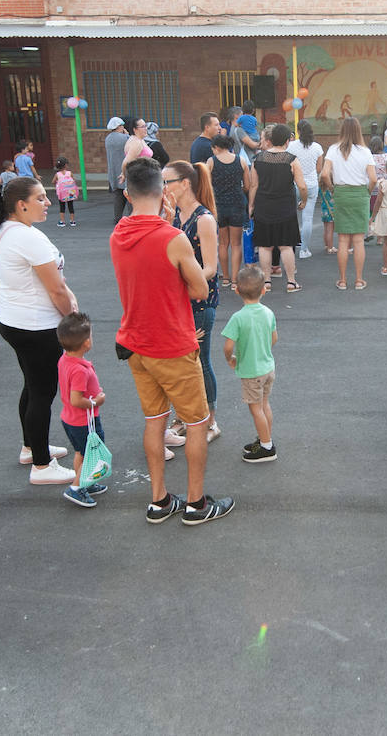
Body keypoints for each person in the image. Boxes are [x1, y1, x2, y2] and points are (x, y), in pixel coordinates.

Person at [112, 156, 234, 525]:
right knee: (197, 423)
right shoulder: (173, 237)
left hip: (135, 342)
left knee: (154, 421)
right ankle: (196, 504)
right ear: (163, 191)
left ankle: (160, 500)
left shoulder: (119, 233)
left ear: (128, 192)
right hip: (173, 344)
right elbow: (199, 288)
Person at [0, 176, 78, 484]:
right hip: (34, 327)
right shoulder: (28, 238)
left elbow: (56, 284)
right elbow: (56, 290)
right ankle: (41, 466)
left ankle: (31, 446)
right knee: (42, 392)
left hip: (16, 321)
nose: (48, 202)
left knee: (32, 386)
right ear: (21, 205)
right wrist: (72, 322)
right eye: (41, 198)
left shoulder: (14, 230)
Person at [165, 159, 222, 443]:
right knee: (180, 363)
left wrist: (188, 282)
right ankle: (184, 416)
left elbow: (211, 267)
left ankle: (210, 420)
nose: (163, 188)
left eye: (167, 182)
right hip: (177, 301)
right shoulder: (172, 214)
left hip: (200, 302)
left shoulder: (204, 219)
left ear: (184, 183)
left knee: (200, 361)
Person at [221, 264, 280, 463]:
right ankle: (266, 438)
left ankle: (266, 447)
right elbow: (274, 338)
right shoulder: (268, 312)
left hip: (251, 372)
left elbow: (228, 346)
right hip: (268, 367)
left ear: (237, 291)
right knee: (265, 405)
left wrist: (231, 359)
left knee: (256, 409)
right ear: (264, 290)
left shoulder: (238, 318)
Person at [56, 311, 109, 508]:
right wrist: (96, 401)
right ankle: (76, 488)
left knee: (81, 452)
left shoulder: (65, 360)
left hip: (69, 419)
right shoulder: (80, 370)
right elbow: (76, 400)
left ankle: (85, 482)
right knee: (91, 455)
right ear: (86, 343)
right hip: (83, 420)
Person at [248, 123, 306, 293]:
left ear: (270, 140)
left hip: (263, 206)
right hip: (285, 207)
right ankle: (291, 282)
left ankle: (266, 282)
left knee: (265, 246)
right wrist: (303, 201)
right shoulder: (291, 160)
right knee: (286, 245)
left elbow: (253, 185)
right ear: (287, 141)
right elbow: (302, 186)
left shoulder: (258, 159)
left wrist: (251, 205)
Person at [321, 117, 376, 291]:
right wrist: (367, 192)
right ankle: (359, 280)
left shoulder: (333, 149)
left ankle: (343, 280)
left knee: (343, 240)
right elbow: (373, 179)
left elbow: (324, 174)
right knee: (358, 240)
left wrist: (332, 189)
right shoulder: (365, 151)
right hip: (360, 194)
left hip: (341, 193)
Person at [208, 132, 250, 287]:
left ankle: (225, 278)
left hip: (218, 205)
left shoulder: (211, 162)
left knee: (223, 243)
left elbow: (206, 185)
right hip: (237, 204)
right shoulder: (241, 161)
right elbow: (247, 185)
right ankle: (234, 280)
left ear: (217, 147)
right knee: (236, 244)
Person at [287, 122, 323, 259]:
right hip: (312, 185)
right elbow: (319, 169)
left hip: (294, 184)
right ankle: (304, 250)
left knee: (291, 216)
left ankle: (291, 245)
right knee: (307, 219)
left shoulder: (291, 146)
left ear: (298, 131)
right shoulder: (317, 148)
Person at [105, 115, 135, 224]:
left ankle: (117, 218)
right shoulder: (125, 138)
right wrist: (127, 135)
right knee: (130, 195)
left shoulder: (108, 139)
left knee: (118, 196)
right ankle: (133, 217)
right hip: (125, 171)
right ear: (119, 126)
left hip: (113, 171)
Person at [52, 157, 79, 228]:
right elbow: (74, 181)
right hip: (70, 193)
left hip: (62, 194)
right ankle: (72, 221)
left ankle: (62, 221)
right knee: (71, 206)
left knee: (62, 207)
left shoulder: (57, 174)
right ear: (66, 165)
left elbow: (53, 182)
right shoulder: (69, 173)